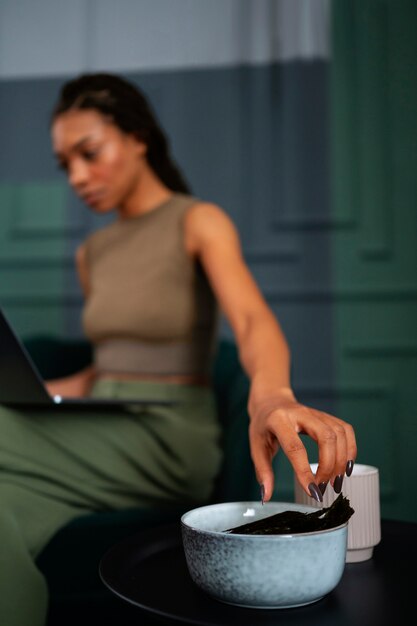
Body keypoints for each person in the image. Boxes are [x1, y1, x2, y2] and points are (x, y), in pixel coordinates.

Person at [0, 73, 357, 626]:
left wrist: (272, 397)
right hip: (99, 426)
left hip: (165, 439)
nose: (77, 176)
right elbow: (111, 368)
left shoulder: (198, 221)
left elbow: (251, 318)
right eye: (64, 164)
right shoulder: (92, 252)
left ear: (138, 136)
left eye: (89, 153)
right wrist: (32, 390)